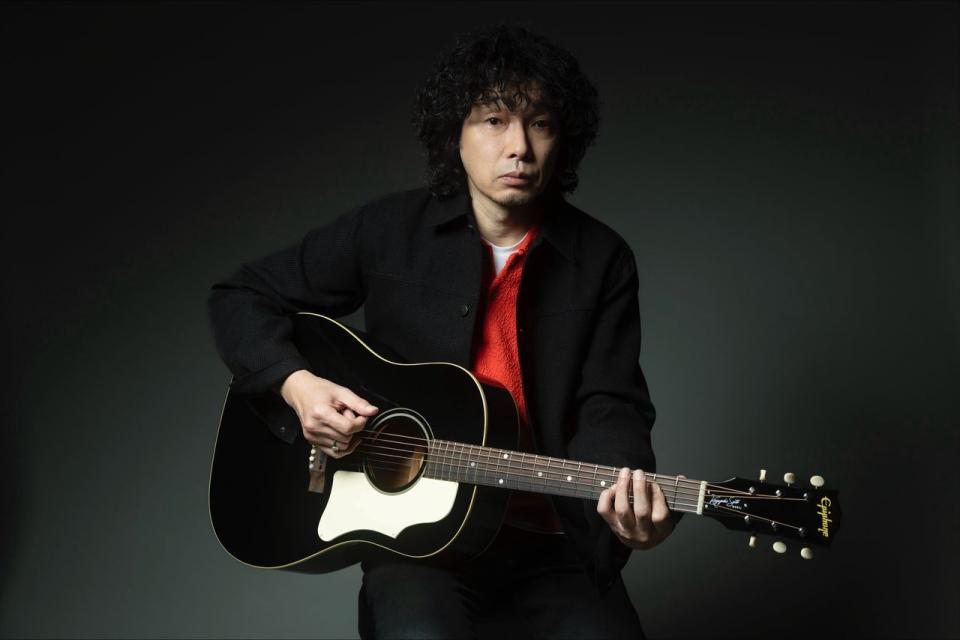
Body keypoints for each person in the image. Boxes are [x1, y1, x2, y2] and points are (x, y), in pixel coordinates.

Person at [208, 24, 680, 639]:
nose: (519, 147)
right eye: (493, 120)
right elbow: (241, 297)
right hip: (418, 550)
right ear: (454, 134)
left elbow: (610, 401)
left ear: (563, 139)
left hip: (553, 547)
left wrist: (626, 499)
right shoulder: (388, 230)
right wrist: (298, 387)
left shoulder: (601, 259)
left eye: (540, 124)